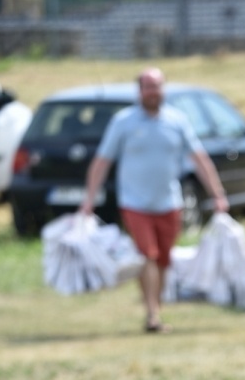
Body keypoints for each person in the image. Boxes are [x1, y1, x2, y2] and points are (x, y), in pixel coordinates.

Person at [80, 67, 228, 333]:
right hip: (134, 202)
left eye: (156, 86)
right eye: (147, 87)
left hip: (169, 202)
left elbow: (199, 159)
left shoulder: (177, 120)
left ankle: (155, 306)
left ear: (163, 89)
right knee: (146, 255)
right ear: (139, 91)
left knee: (163, 260)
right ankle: (152, 315)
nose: (152, 92)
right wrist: (89, 199)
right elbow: (102, 161)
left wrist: (217, 194)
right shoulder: (123, 122)